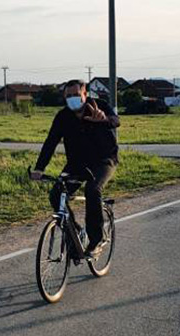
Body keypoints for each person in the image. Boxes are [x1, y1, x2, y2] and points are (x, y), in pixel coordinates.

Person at [30, 79, 120, 258]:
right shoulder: (63, 117)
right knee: (56, 194)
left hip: (103, 160)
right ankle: (76, 232)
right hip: (77, 163)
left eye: (76, 95)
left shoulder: (99, 106)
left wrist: (103, 119)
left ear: (85, 94)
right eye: (68, 96)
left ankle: (95, 241)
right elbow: (50, 143)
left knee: (92, 190)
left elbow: (116, 121)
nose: (72, 99)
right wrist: (39, 168)